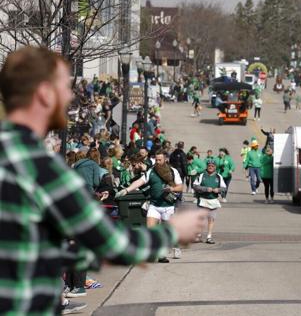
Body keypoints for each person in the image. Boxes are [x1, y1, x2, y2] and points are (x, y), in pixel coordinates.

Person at [0, 47, 204, 314]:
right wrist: (173, 232)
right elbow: (112, 244)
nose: (70, 96)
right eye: (64, 87)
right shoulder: (40, 167)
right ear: (44, 94)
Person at [117, 152, 185, 262]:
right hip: (154, 205)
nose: (157, 162)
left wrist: (171, 189)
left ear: (165, 160)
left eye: (160, 160)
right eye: (156, 160)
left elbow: (181, 187)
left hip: (168, 206)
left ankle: (175, 245)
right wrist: (126, 190)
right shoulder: (151, 171)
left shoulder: (173, 171)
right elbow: (140, 181)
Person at [193, 161, 227, 244]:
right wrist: (205, 189)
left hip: (213, 201)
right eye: (209, 166)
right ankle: (198, 236)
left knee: (211, 219)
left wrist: (218, 190)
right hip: (202, 200)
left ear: (215, 167)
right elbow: (195, 186)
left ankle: (209, 237)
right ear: (207, 166)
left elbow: (224, 188)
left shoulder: (218, 177)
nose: (210, 167)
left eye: (212, 166)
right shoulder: (201, 175)